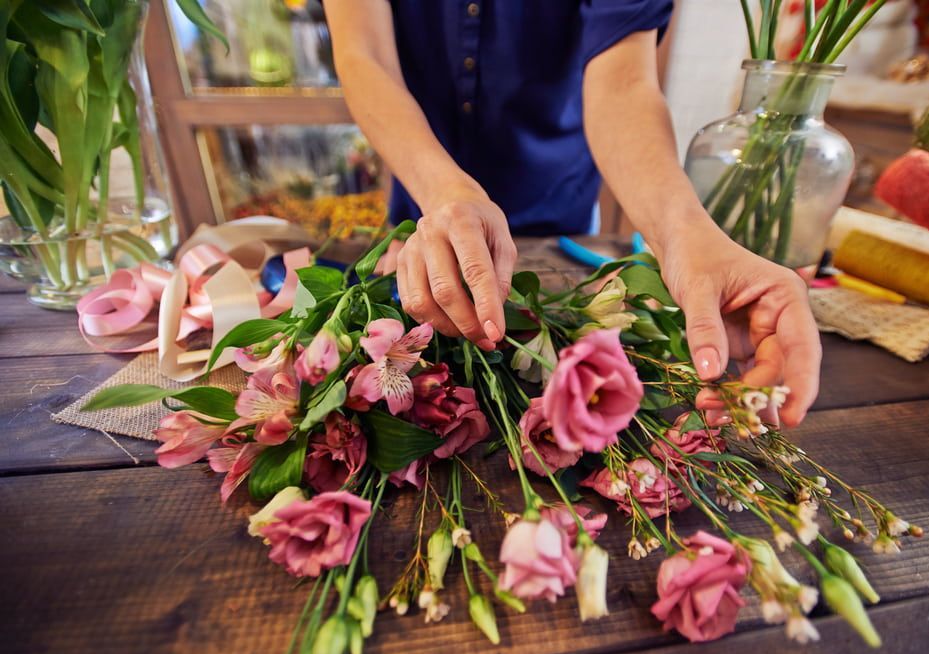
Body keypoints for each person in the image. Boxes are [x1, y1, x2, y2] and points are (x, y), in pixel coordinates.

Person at [324, 0, 821, 426]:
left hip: (558, 212)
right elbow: (363, 54)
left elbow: (623, 82)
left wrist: (686, 233)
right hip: (424, 216)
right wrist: (446, 193)